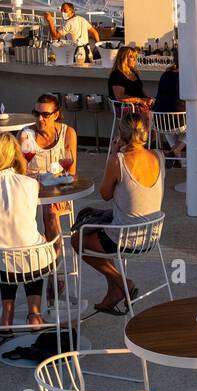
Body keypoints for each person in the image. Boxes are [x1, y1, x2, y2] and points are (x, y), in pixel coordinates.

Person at [73, 113, 165, 315]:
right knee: (104, 223)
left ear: (121, 135)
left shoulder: (118, 160)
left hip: (126, 240)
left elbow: (105, 194)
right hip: (152, 234)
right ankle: (114, 291)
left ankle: (124, 282)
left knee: (77, 239)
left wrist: (113, 154)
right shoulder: (159, 155)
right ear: (145, 133)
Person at [0, 132, 56, 336]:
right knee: (31, 246)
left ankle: (6, 317)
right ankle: (35, 315)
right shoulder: (30, 184)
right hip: (36, 264)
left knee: (3, 250)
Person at [21, 94, 79, 248]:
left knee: (50, 211)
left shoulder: (68, 133)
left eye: (45, 114)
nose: (40, 119)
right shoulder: (26, 135)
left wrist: (58, 184)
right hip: (31, 189)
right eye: (36, 113)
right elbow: (20, 172)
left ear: (57, 114)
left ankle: (55, 257)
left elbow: (71, 173)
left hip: (58, 188)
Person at [151, 48, 186, 161]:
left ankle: (176, 156)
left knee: (168, 117)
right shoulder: (186, 77)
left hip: (159, 120)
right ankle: (176, 149)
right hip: (177, 121)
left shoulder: (165, 74)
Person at [108, 45, 153, 113]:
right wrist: (139, 100)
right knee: (150, 112)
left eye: (135, 57)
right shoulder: (117, 75)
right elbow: (120, 97)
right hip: (125, 106)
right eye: (131, 57)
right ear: (123, 58)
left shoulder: (133, 72)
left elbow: (140, 91)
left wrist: (147, 99)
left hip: (137, 104)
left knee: (160, 105)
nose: (135, 60)